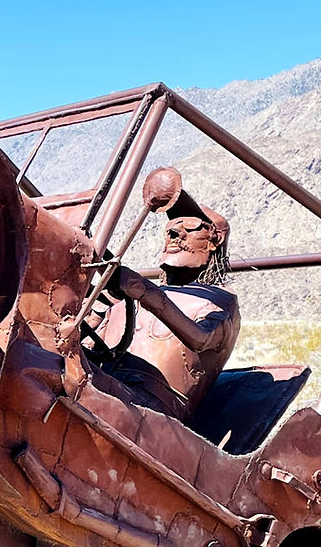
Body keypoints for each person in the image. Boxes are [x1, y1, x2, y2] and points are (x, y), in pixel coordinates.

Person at [92, 167, 241, 421]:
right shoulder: (130, 300)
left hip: (154, 413)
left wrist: (146, 292)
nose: (174, 233)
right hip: (108, 384)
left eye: (191, 226)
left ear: (214, 241)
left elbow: (202, 338)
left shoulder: (219, 301)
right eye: (172, 226)